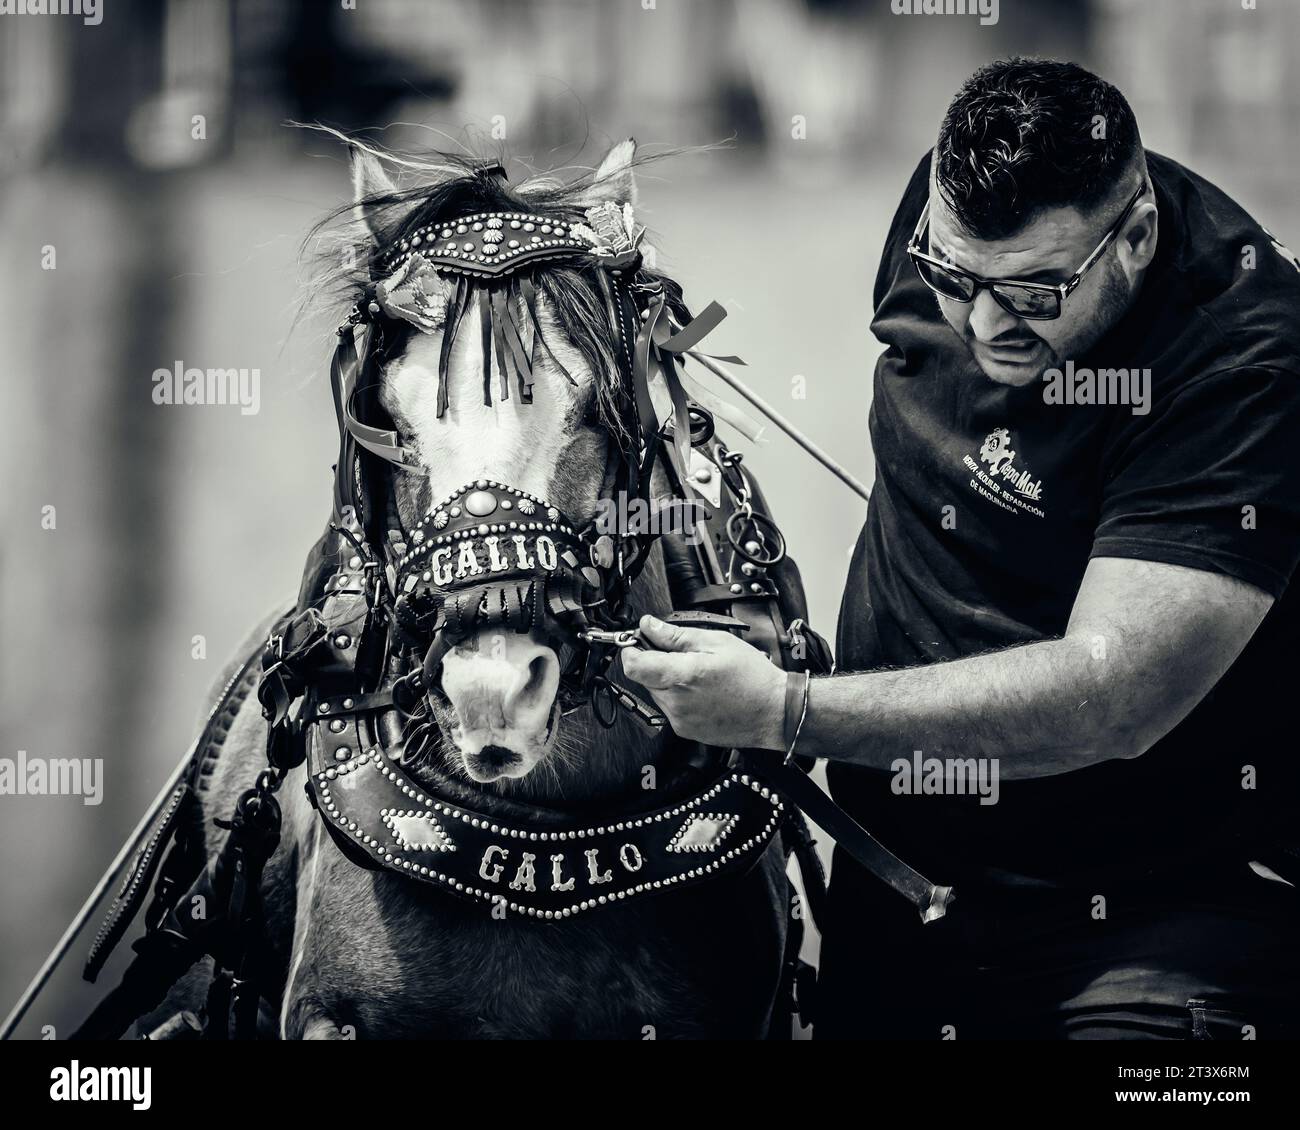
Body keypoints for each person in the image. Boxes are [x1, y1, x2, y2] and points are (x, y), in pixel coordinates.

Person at [621, 57, 1300, 1040]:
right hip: (897, 875)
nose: (985, 323)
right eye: (954, 277)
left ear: (1137, 235)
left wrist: (785, 710)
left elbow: (1113, 696)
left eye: (1035, 290)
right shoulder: (943, 210)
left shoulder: (1245, 363)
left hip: (1156, 918)